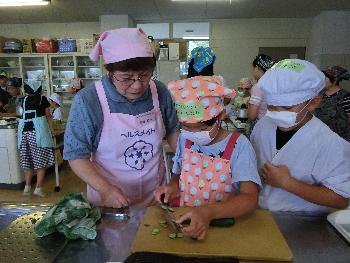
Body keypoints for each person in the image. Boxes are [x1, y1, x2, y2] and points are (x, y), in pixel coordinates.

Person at [63, 28, 179, 209]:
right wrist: (106, 190)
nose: (137, 85)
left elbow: (173, 132)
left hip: (156, 194)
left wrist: (183, 172)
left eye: (145, 75)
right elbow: (76, 155)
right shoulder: (89, 100)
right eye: (126, 78)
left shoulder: (159, 91)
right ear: (109, 70)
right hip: (110, 198)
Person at [154, 76, 261, 240]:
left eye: (202, 127)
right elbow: (178, 175)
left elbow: (249, 198)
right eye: (186, 127)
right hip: (187, 222)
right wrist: (172, 187)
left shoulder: (239, 145)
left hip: (224, 227)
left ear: (220, 116)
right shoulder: (184, 139)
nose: (194, 134)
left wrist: (208, 212)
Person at [250, 59, 350, 213]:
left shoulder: (329, 143)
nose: (277, 112)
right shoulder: (263, 125)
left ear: (313, 103)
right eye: (271, 105)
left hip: (303, 222)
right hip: (262, 216)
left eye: (288, 107)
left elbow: (341, 199)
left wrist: (288, 183)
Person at [19, 80, 55, 197]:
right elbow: (48, 116)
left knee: (27, 161)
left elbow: (21, 114)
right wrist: (52, 130)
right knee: (40, 162)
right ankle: (38, 188)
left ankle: (27, 188)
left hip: (23, 133)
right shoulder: (42, 99)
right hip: (37, 133)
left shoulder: (23, 100)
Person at [315, 66, 350, 142]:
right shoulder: (319, 95)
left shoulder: (345, 97)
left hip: (340, 139)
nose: (321, 81)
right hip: (321, 137)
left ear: (335, 80)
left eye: (325, 78)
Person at [248, 54, 275, 122]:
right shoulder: (275, 84)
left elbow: (252, 116)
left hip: (261, 123)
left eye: (253, 68)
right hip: (274, 124)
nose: (252, 71)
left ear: (257, 68)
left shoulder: (258, 86)